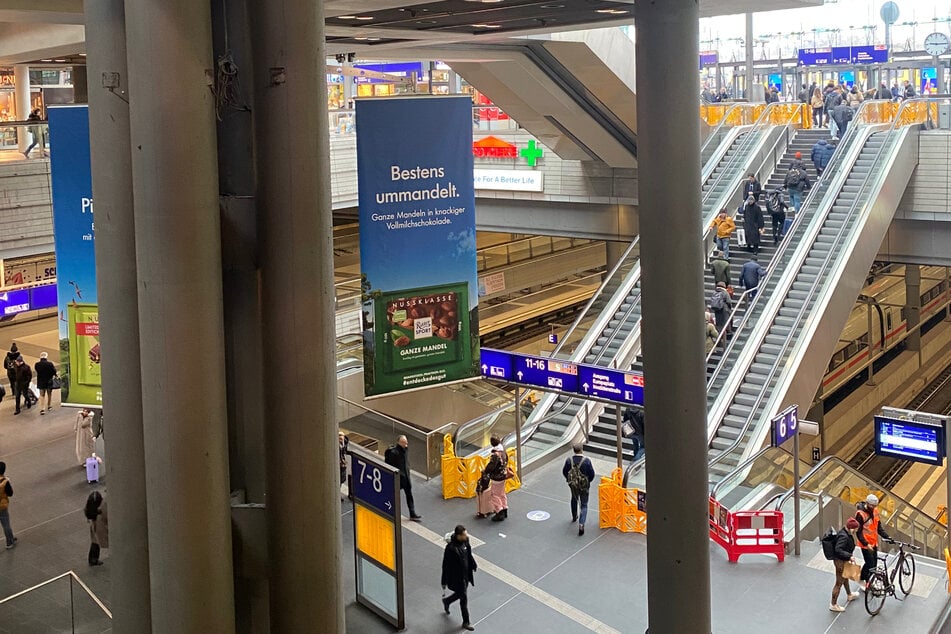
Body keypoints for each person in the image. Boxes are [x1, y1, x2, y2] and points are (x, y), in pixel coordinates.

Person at [441, 524, 477, 631]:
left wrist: (473, 564)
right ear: (458, 536)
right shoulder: (451, 549)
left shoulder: (466, 541)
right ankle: (466, 621)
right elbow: (446, 565)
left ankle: (447, 601)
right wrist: (444, 580)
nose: (466, 536)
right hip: (458, 577)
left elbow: (469, 554)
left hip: (466, 574)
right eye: (464, 535)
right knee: (463, 598)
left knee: (461, 594)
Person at [856, 494, 890, 588]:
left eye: (875, 506)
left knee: (872, 562)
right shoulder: (860, 514)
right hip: (865, 544)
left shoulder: (875, 511)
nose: (873, 507)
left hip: (873, 542)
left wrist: (887, 537)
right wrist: (866, 544)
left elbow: (878, 527)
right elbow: (858, 532)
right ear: (867, 503)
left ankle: (862, 577)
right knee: (871, 565)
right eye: (872, 505)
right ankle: (868, 583)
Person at [384, 436, 422, 521]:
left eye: (406, 442)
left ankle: (412, 513)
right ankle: (390, 511)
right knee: (393, 495)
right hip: (399, 478)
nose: (406, 444)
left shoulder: (405, 450)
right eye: (404, 443)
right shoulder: (394, 453)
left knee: (409, 495)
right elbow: (389, 465)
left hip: (406, 477)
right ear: (399, 443)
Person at [563, 444, 596, 536]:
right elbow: (592, 474)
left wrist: (570, 481)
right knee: (584, 504)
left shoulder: (569, 461)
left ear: (573, 450)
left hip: (573, 485)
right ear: (582, 450)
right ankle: (581, 523)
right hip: (584, 486)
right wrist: (588, 481)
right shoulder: (586, 461)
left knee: (574, 499)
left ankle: (574, 516)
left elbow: (565, 472)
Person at [830, 517, 861, 612]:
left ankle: (849, 594)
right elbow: (838, 549)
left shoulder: (845, 532)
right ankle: (833, 604)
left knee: (845, 577)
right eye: (856, 529)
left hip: (843, 560)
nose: (856, 530)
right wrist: (849, 556)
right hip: (840, 562)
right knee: (839, 583)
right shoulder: (844, 536)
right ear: (852, 528)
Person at [484, 435, 510, 521]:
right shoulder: (503, 450)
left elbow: (491, 466)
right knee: (502, 493)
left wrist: (485, 471)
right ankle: (505, 508)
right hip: (503, 475)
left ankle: (499, 511)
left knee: (494, 495)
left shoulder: (495, 454)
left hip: (496, 477)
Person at [84, 491, 108, 565]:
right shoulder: (102, 506)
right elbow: (106, 517)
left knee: (95, 542)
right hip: (101, 527)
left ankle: (92, 559)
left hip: (94, 525)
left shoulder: (89, 508)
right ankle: (93, 559)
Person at [0, 461, 15, 550]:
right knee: (6, 525)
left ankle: (11, 537)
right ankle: (10, 541)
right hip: (2, 506)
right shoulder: (5, 482)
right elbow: (10, 493)